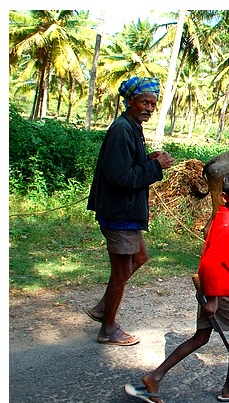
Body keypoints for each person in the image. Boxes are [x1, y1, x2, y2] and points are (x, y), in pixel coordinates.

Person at [124, 172, 229, 403]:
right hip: (222, 291)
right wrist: (214, 299)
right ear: (225, 197)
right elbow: (212, 262)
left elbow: (219, 252)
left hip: (212, 289)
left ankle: (153, 378)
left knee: (201, 337)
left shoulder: (226, 216)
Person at [85, 76, 175, 346]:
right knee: (121, 273)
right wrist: (156, 168)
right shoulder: (122, 130)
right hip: (119, 213)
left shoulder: (132, 127)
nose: (149, 107)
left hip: (127, 213)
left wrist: (148, 160)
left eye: (152, 103)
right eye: (144, 101)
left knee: (140, 257)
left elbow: (127, 166)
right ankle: (108, 329)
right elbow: (119, 177)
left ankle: (103, 309)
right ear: (130, 102)